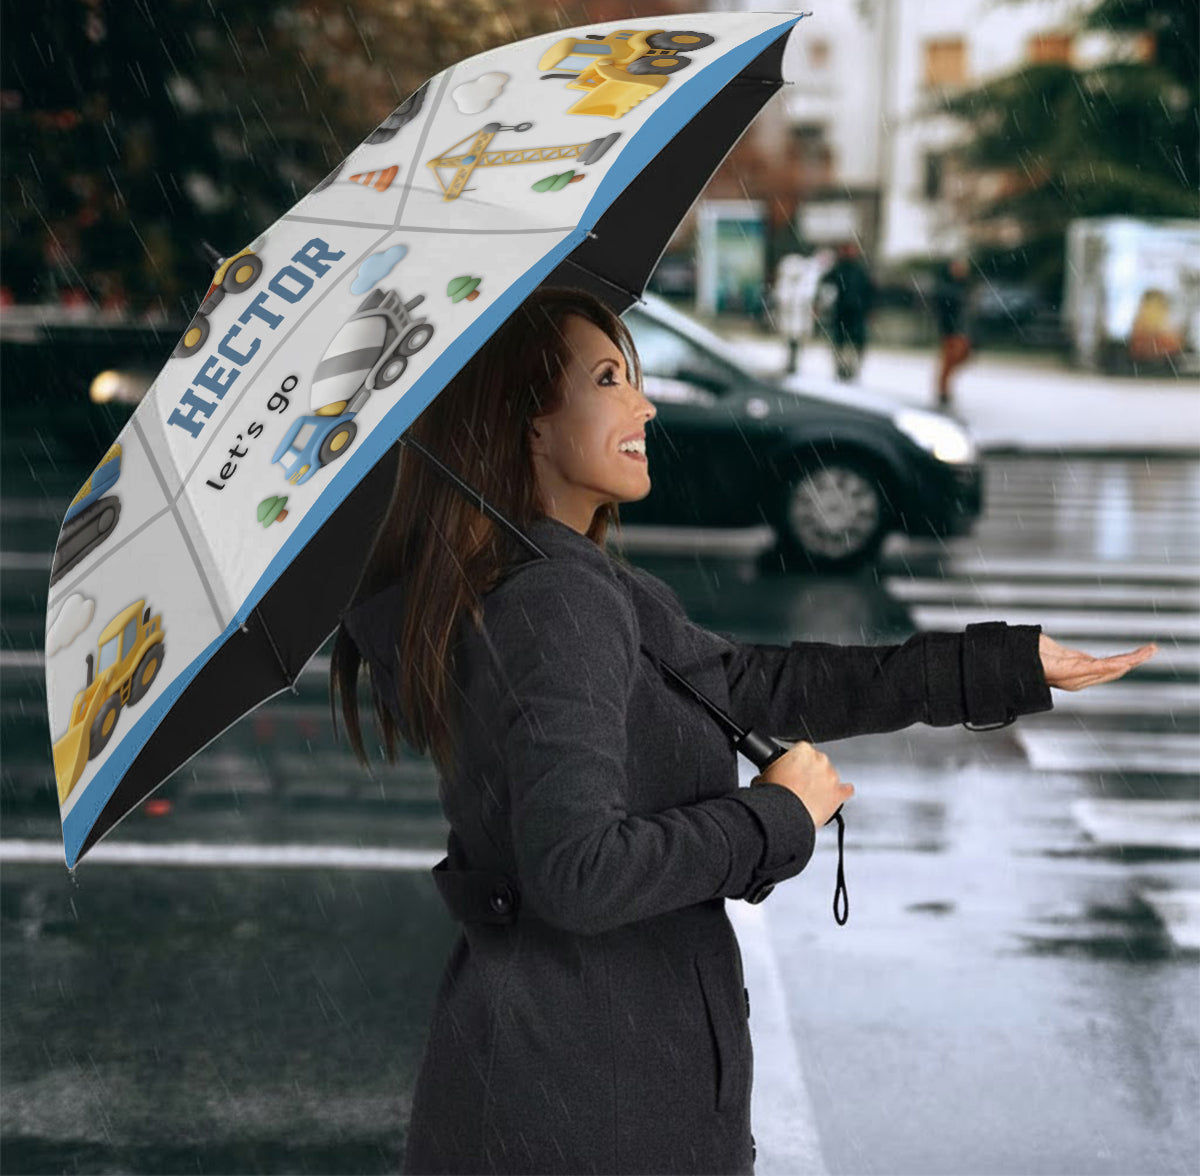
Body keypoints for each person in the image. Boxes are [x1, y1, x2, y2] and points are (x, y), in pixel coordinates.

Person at [330, 286, 1156, 1176]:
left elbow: (755, 684)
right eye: (608, 379)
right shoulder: (559, 602)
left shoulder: (562, 584)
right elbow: (578, 873)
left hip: (564, 1082)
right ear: (527, 423)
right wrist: (775, 817)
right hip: (593, 1106)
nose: (644, 405)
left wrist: (1000, 665)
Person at [819, 241, 874, 382]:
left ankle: (851, 369)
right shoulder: (839, 269)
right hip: (842, 312)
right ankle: (841, 369)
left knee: (853, 343)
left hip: (855, 312)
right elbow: (826, 285)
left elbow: (869, 291)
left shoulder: (859, 270)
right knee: (841, 342)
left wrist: (869, 309)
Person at [934, 258, 972, 409]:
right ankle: (943, 391)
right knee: (949, 360)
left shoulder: (963, 286)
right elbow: (944, 310)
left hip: (959, 329)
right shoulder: (947, 287)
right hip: (951, 329)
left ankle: (944, 388)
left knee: (958, 357)